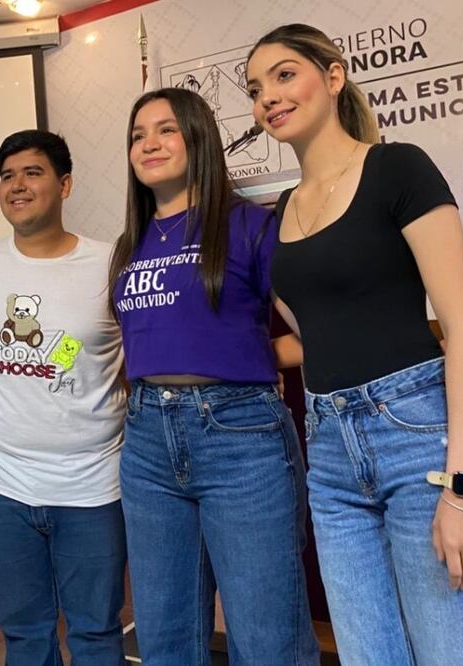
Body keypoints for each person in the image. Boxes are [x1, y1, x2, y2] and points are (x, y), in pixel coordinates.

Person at [245, 23, 463, 665]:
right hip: (332, 457)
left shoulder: (396, 167)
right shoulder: (279, 212)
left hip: (421, 438)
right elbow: (317, 338)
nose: (269, 98)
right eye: (258, 89)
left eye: (285, 75)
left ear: (333, 76)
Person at [110, 87, 319, 665]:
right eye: (137, 135)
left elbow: (316, 332)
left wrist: (254, 355)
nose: (148, 144)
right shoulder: (132, 242)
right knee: (165, 634)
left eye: (165, 130)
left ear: (199, 137)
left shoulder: (251, 225)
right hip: (148, 437)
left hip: (240, 436)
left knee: (266, 634)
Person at [0, 129, 127, 665]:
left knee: (96, 632)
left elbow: (147, 358)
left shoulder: (112, 263)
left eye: (32, 172)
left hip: (92, 487)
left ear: (65, 184)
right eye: (7, 175)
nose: (17, 185)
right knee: (24, 634)